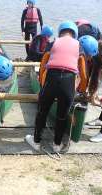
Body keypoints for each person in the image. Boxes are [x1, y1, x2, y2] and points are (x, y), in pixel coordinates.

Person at [25, 21, 80, 153]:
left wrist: (41, 85)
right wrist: (78, 88)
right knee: (62, 115)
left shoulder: (53, 43)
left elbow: (44, 63)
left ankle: (36, 141)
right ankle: (57, 145)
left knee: (42, 111)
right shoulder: (79, 45)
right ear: (74, 34)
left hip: (52, 78)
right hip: (69, 80)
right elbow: (82, 70)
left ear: (60, 32)